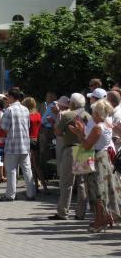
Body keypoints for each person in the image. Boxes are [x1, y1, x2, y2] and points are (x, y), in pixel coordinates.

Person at [69, 99, 121, 232]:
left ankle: (101, 220)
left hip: (97, 159)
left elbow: (86, 145)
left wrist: (79, 134)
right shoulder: (107, 124)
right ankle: (103, 218)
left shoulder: (98, 127)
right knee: (102, 190)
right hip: (104, 157)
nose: (92, 114)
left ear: (98, 113)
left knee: (97, 191)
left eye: (93, 111)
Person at [49, 93, 88, 220]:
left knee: (67, 182)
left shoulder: (68, 115)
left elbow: (58, 132)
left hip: (71, 148)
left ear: (72, 104)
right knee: (82, 182)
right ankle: (81, 213)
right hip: (85, 148)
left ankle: (63, 212)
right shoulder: (89, 116)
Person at [0, 88, 35, 201]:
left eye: (8, 97)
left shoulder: (9, 110)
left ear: (11, 97)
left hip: (12, 144)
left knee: (11, 170)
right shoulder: (25, 109)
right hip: (25, 143)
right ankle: (31, 193)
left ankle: (10, 195)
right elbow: (28, 125)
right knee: (27, 169)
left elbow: (4, 126)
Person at [23, 97, 46, 193]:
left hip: (28, 140)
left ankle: (40, 187)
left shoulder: (27, 116)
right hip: (37, 140)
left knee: (32, 165)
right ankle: (41, 186)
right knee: (36, 164)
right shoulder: (38, 115)